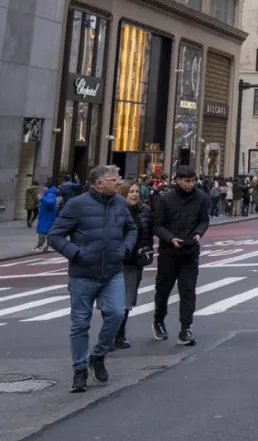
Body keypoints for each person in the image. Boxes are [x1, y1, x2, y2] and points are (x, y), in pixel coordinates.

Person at [47, 165, 136, 393]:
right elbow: (55, 235)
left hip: (112, 272)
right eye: (113, 179)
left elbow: (131, 229)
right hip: (83, 275)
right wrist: (76, 253)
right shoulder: (76, 205)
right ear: (99, 182)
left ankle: (98, 355)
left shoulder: (118, 203)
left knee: (117, 313)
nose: (118, 182)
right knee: (80, 324)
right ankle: (79, 370)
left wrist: (124, 249)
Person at [152, 165, 210, 346]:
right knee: (163, 290)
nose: (190, 184)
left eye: (193, 181)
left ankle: (185, 329)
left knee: (188, 291)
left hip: (190, 251)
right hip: (169, 252)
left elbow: (204, 219)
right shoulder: (166, 199)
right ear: (177, 180)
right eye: (187, 181)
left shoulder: (200, 197)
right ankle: (158, 321)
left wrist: (199, 233)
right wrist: (170, 239)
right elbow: (157, 225)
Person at [115, 179, 153, 349]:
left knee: (126, 301)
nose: (135, 194)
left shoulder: (144, 211)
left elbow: (149, 234)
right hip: (115, 262)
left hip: (134, 262)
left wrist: (147, 250)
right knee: (112, 302)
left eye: (137, 191)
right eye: (131, 191)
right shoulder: (114, 211)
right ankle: (110, 333)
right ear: (123, 194)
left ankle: (119, 334)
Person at [34, 180, 59, 252]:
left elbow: (50, 203)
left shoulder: (50, 194)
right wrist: (40, 205)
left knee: (43, 231)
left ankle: (40, 246)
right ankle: (48, 246)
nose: (44, 188)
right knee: (49, 232)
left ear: (48, 187)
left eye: (45, 187)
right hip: (47, 216)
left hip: (46, 216)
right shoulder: (49, 194)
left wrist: (41, 198)